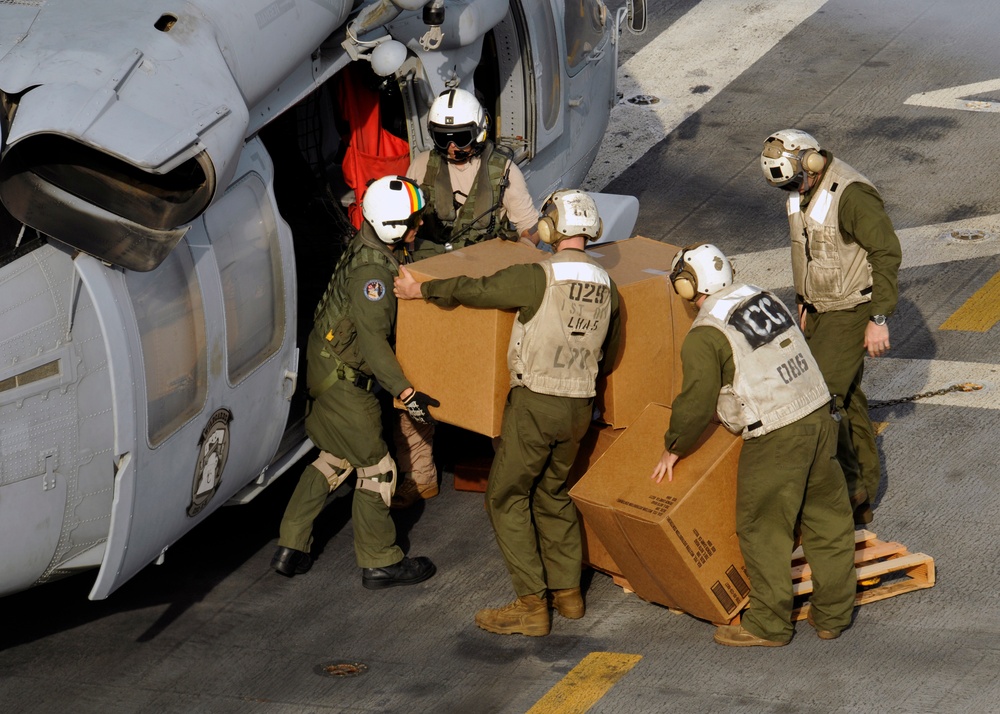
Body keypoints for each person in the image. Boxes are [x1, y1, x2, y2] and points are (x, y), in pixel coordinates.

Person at [394, 189, 621, 636]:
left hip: (536, 402)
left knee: (506, 496)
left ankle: (532, 606)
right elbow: (608, 355)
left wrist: (422, 289)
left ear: (553, 227)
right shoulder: (608, 286)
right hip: (578, 406)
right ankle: (569, 595)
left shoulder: (540, 276)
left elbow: (479, 290)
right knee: (552, 493)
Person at [651, 243, 856, 647]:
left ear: (687, 288)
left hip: (776, 434)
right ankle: (833, 615)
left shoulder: (706, 333)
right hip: (818, 414)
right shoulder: (760, 295)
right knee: (827, 519)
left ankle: (770, 623)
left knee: (763, 527)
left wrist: (673, 446)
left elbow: (694, 402)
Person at [271, 175, 438, 590]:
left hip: (324, 371)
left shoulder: (366, 245)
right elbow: (373, 341)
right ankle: (380, 561)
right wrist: (406, 391)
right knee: (378, 470)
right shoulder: (373, 276)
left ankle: (290, 546)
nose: (419, 229)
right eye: (414, 224)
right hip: (346, 384)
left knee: (333, 458)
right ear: (394, 228)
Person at [390, 86, 541, 509]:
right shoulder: (422, 166)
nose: (452, 148)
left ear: (481, 132)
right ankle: (418, 476)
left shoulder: (503, 172)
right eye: (442, 139)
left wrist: (538, 256)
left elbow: (528, 228)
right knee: (412, 387)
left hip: (480, 296)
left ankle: (510, 480)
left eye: (461, 138)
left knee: (501, 388)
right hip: (428, 293)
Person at [760, 129, 902, 525]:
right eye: (785, 185)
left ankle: (844, 489)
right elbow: (808, 248)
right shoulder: (801, 190)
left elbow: (887, 252)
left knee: (821, 402)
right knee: (849, 398)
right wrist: (804, 302)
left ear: (812, 161)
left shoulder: (852, 194)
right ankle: (862, 496)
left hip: (851, 308)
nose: (792, 189)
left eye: (795, 180)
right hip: (820, 309)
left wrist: (878, 319)